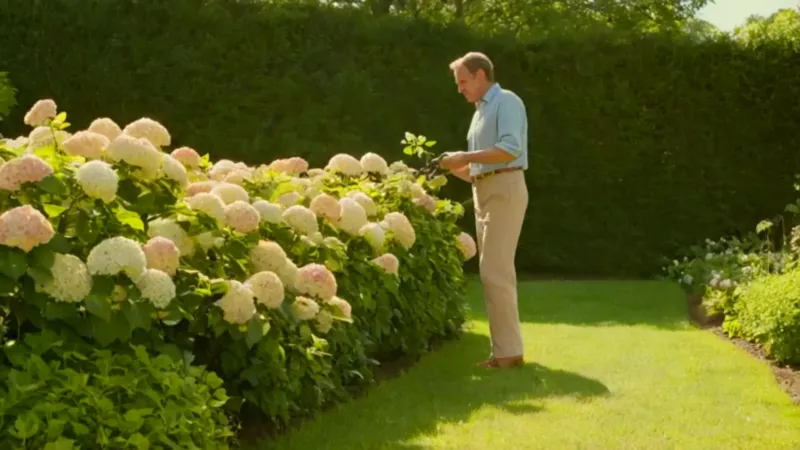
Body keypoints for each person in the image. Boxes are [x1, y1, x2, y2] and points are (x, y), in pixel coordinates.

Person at [439, 51, 529, 369]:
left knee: (494, 272)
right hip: (485, 190)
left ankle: (506, 355)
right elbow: (478, 168)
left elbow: (510, 149)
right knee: (493, 273)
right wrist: (451, 166)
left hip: (505, 190)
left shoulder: (507, 102)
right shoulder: (479, 113)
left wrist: (463, 156)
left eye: (463, 81)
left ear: (480, 76)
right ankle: (508, 352)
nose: (460, 88)